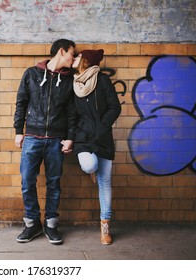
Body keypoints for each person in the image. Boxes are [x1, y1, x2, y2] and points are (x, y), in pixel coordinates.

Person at [13, 38, 76, 245]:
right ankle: (32, 224)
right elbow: (21, 102)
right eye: (71, 54)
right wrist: (18, 130)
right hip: (32, 137)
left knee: (54, 183)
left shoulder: (69, 80)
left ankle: (50, 224)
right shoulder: (31, 74)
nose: (73, 57)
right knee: (27, 181)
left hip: (56, 140)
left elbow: (71, 113)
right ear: (61, 51)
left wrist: (69, 138)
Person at [70, 49, 121, 245]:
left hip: (103, 138)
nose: (74, 59)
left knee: (105, 183)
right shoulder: (73, 83)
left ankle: (105, 226)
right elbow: (71, 115)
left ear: (85, 60)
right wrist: (74, 135)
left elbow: (115, 107)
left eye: (77, 57)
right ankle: (93, 170)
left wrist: (102, 126)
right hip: (83, 139)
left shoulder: (103, 81)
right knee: (90, 165)